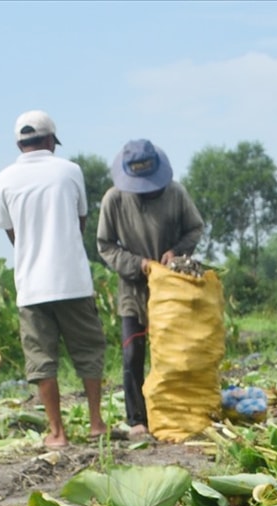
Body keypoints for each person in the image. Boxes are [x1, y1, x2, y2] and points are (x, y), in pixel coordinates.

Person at [0, 110, 106, 449]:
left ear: (19, 143)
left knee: (42, 359)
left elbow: (13, 234)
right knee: (88, 349)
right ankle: (97, 423)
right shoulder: (70, 171)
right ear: (51, 141)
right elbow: (80, 221)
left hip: (32, 285)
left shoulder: (2, 180)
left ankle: (57, 433)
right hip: (73, 280)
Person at [95, 139, 206, 439]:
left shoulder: (176, 194)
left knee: (174, 354)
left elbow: (195, 228)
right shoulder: (114, 200)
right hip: (134, 291)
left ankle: (174, 414)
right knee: (133, 354)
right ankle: (137, 420)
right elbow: (105, 245)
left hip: (173, 292)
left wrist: (176, 252)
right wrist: (138, 264)